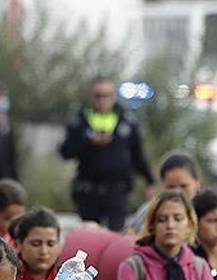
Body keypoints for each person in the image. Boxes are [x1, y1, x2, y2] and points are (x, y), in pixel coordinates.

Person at [60, 76, 155, 231]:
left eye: (107, 95)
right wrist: (88, 142)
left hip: (117, 190)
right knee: (89, 239)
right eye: (98, 96)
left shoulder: (127, 120)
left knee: (116, 236)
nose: (103, 100)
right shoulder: (79, 121)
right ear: (91, 96)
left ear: (114, 96)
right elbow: (65, 152)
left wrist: (149, 180)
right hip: (88, 190)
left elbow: (138, 153)